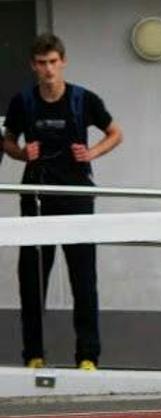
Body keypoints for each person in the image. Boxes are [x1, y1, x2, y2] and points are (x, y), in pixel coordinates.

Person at [2, 34, 123, 370]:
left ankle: (87, 356)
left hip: (76, 197)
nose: (48, 70)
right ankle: (34, 356)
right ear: (33, 66)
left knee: (83, 279)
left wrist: (92, 152)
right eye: (41, 64)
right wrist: (22, 152)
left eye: (53, 62)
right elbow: (8, 141)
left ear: (63, 62)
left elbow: (115, 132)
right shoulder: (23, 101)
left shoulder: (83, 100)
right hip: (36, 197)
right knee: (32, 281)